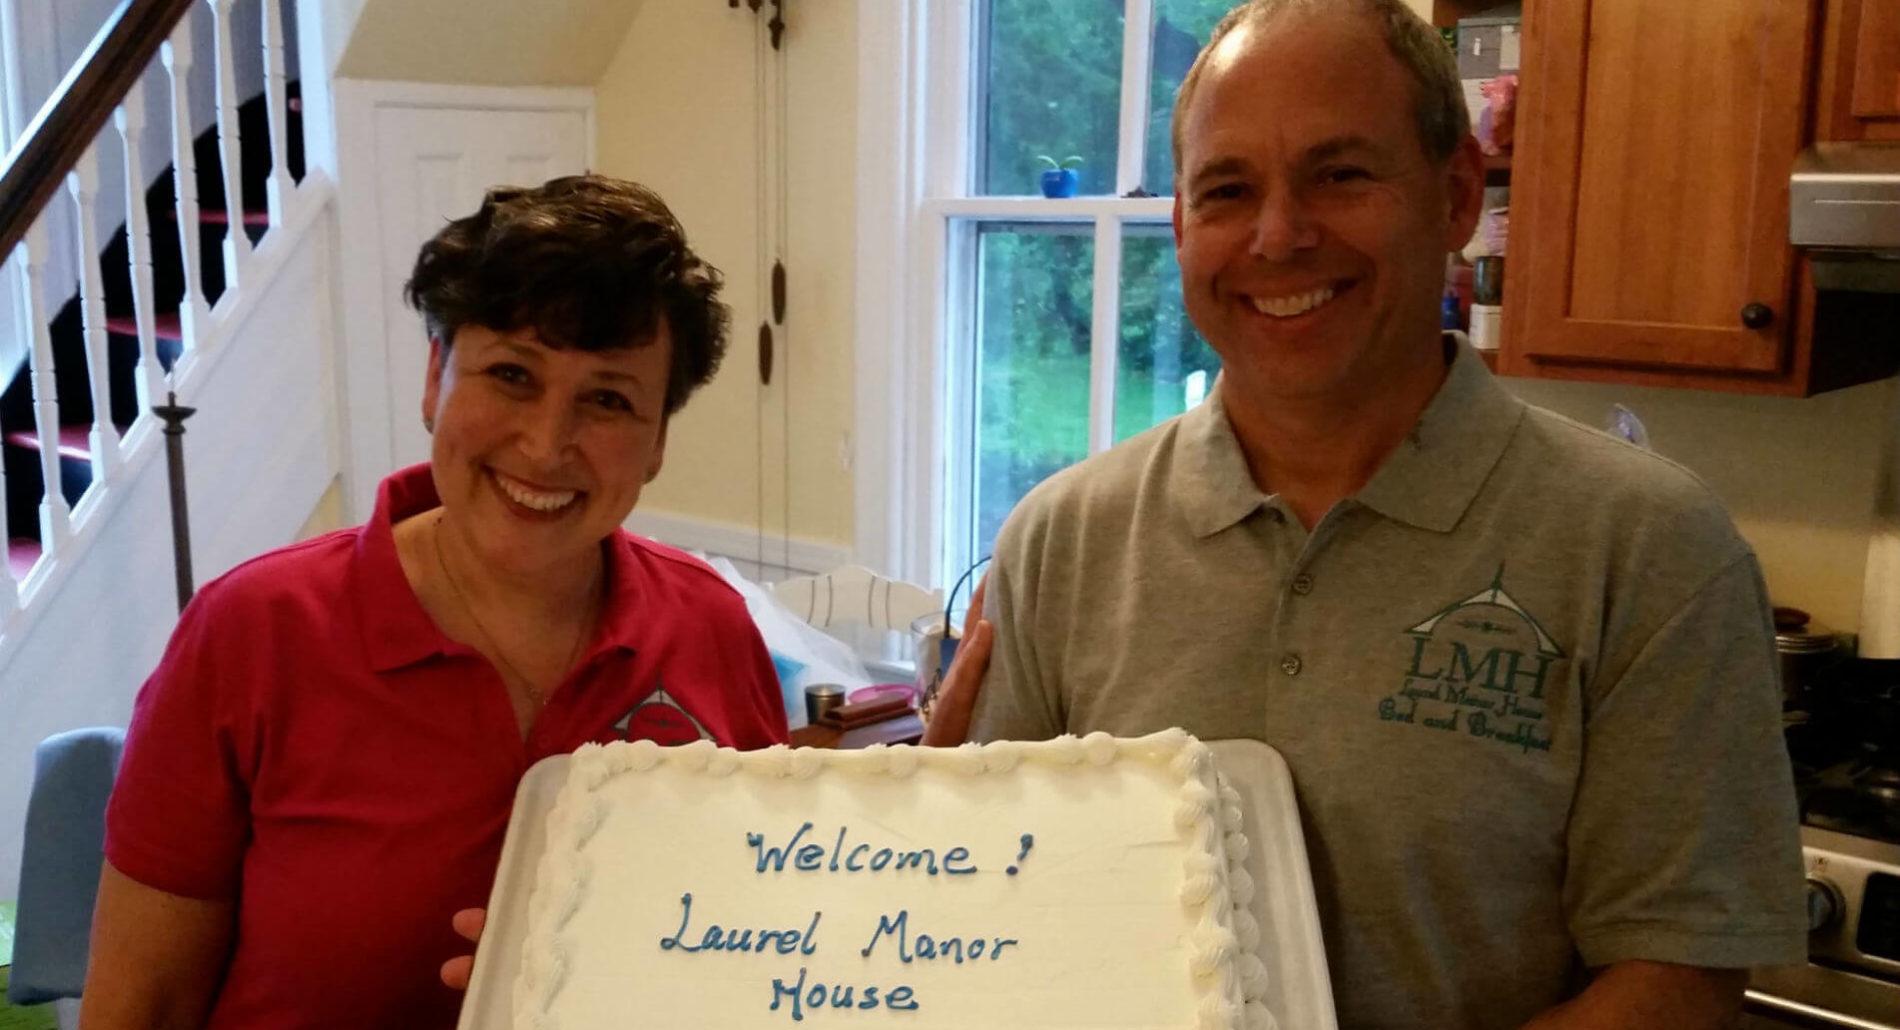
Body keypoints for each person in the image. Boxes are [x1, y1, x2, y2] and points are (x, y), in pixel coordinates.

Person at [933, 2, 1808, 1028]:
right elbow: (1004, 918)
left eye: (1340, 174)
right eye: (1226, 190)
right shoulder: (1060, 541)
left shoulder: (1648, 547)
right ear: (1180, 228)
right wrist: (900, 842)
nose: (1278, 235)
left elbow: (1680, 976)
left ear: (1453, 197)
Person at [82, 175, 790, 1030]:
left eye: (608, 399)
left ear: (659, 441)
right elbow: (142, 1005)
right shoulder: (253, 634)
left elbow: (752, 954)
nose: (545, 443)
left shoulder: (710, 630)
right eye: (511, 374)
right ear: (435, 378)